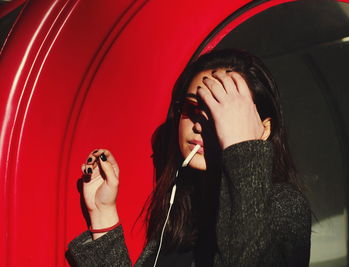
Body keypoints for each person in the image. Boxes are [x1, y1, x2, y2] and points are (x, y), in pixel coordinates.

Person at [67, 49, 311, 267]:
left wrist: (245, 148)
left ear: (263, 129)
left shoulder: (283, 205)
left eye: (219, 112)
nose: (198, 126)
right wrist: (102, 213)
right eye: (192, 109)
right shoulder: (181, 209)